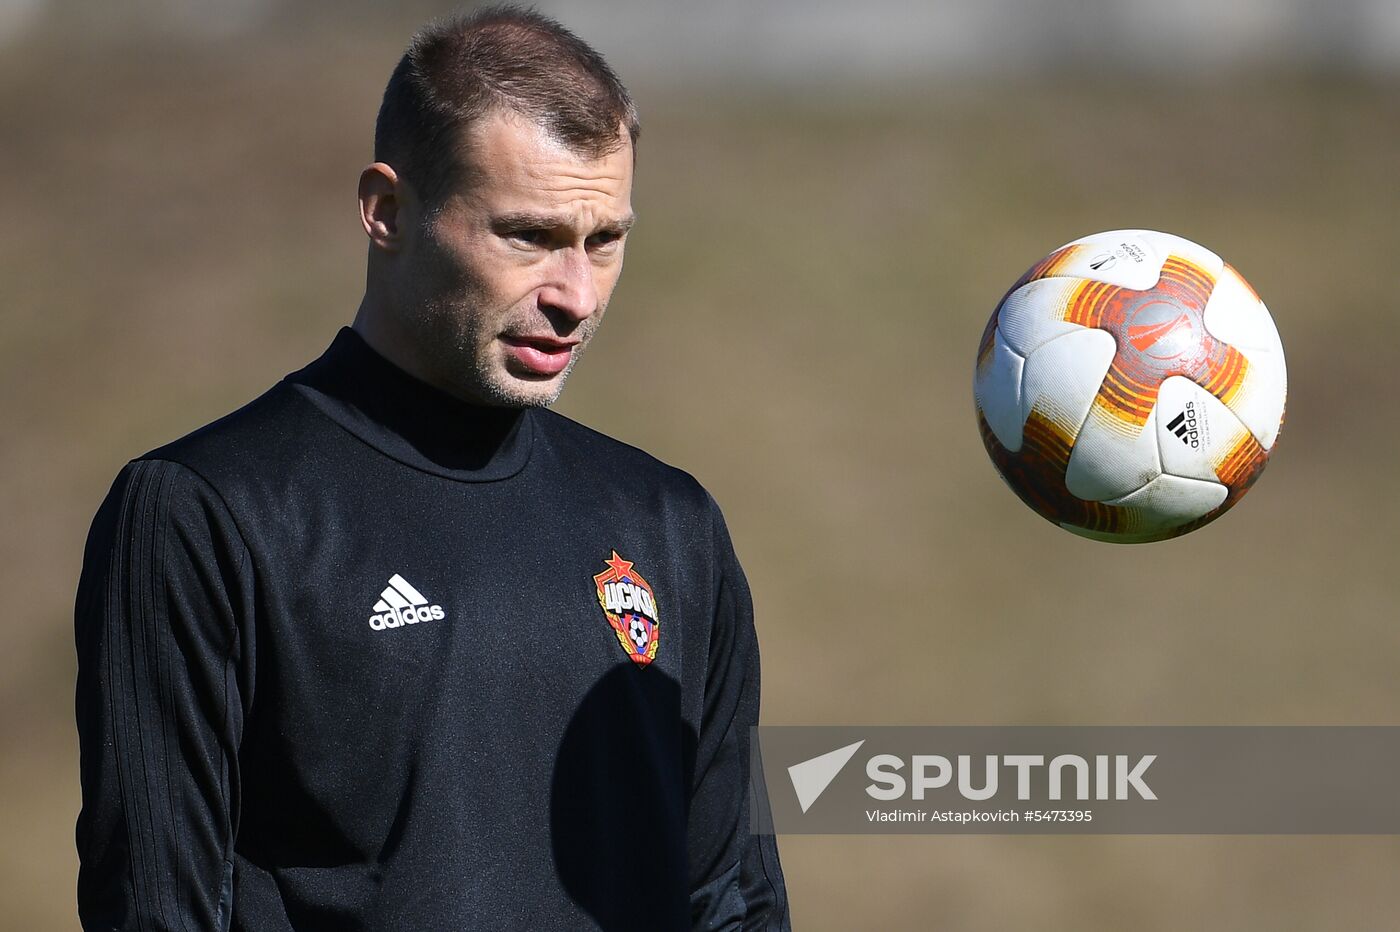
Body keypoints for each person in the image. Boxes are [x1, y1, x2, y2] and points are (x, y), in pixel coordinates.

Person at [73, 7, 789, 930]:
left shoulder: (670, 521)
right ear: (388, 211)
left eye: (603, 240)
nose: (575, 296)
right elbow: (156, 909)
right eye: (527, 236)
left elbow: (732, 898)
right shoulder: (203, 513)